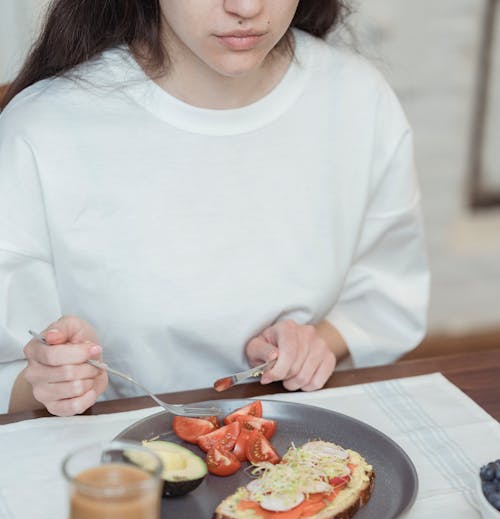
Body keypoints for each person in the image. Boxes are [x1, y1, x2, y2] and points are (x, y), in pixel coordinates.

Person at [0, 0, 429, 416]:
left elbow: (386, 296)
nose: (246, 7)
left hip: (297, 442)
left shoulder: (356, 98)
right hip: (113, 467)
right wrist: (51, 382)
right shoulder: (43, 129)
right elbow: (11, 372)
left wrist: (316, 341)